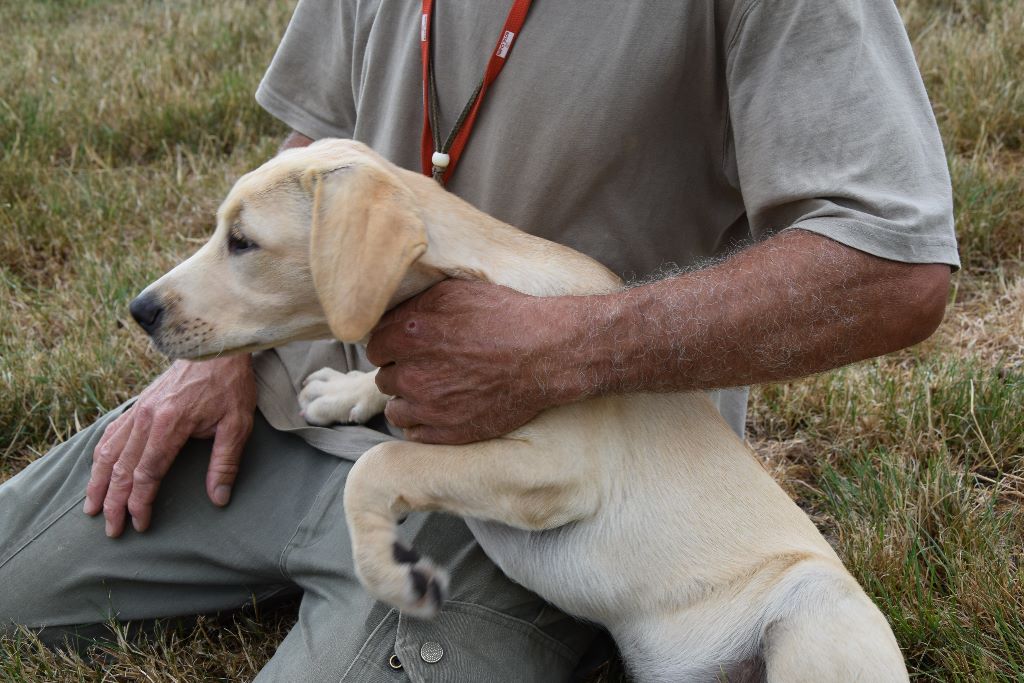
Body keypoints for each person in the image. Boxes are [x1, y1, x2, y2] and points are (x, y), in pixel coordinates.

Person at [0, 1, 959, 681]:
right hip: (305, 401)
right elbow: (315, 145)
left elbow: (893, 265)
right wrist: (222, 354)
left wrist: (561, 348)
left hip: (532, 484)